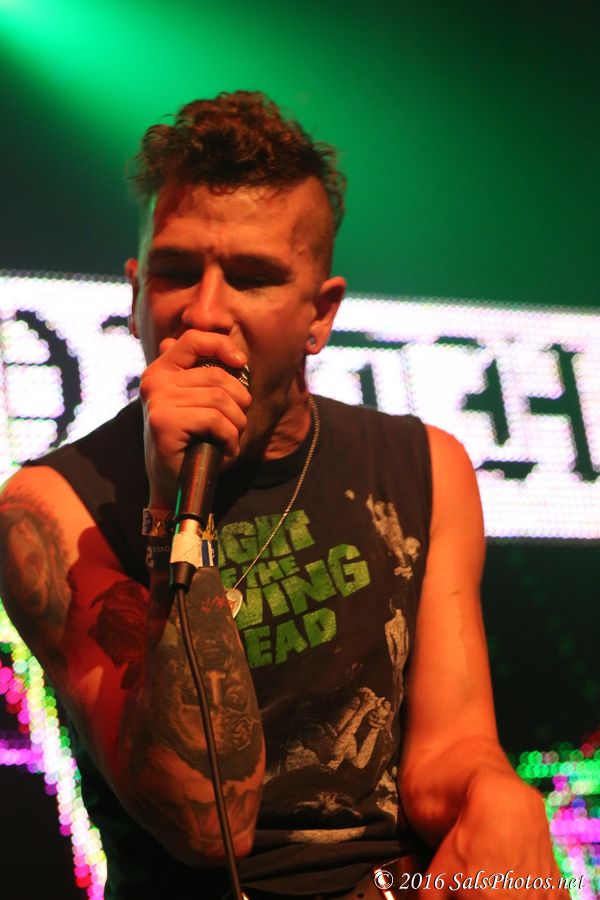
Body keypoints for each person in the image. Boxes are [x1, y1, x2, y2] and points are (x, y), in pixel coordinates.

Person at [0, 91, 566, 899]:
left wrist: (496, 793)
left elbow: (448, 749)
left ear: (320, 314)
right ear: (135, 293)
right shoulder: (51, 511)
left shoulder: (423, 465)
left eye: (254, 278)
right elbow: (207, 825)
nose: (205, 312)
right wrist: (171, 507)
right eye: (176, 272)